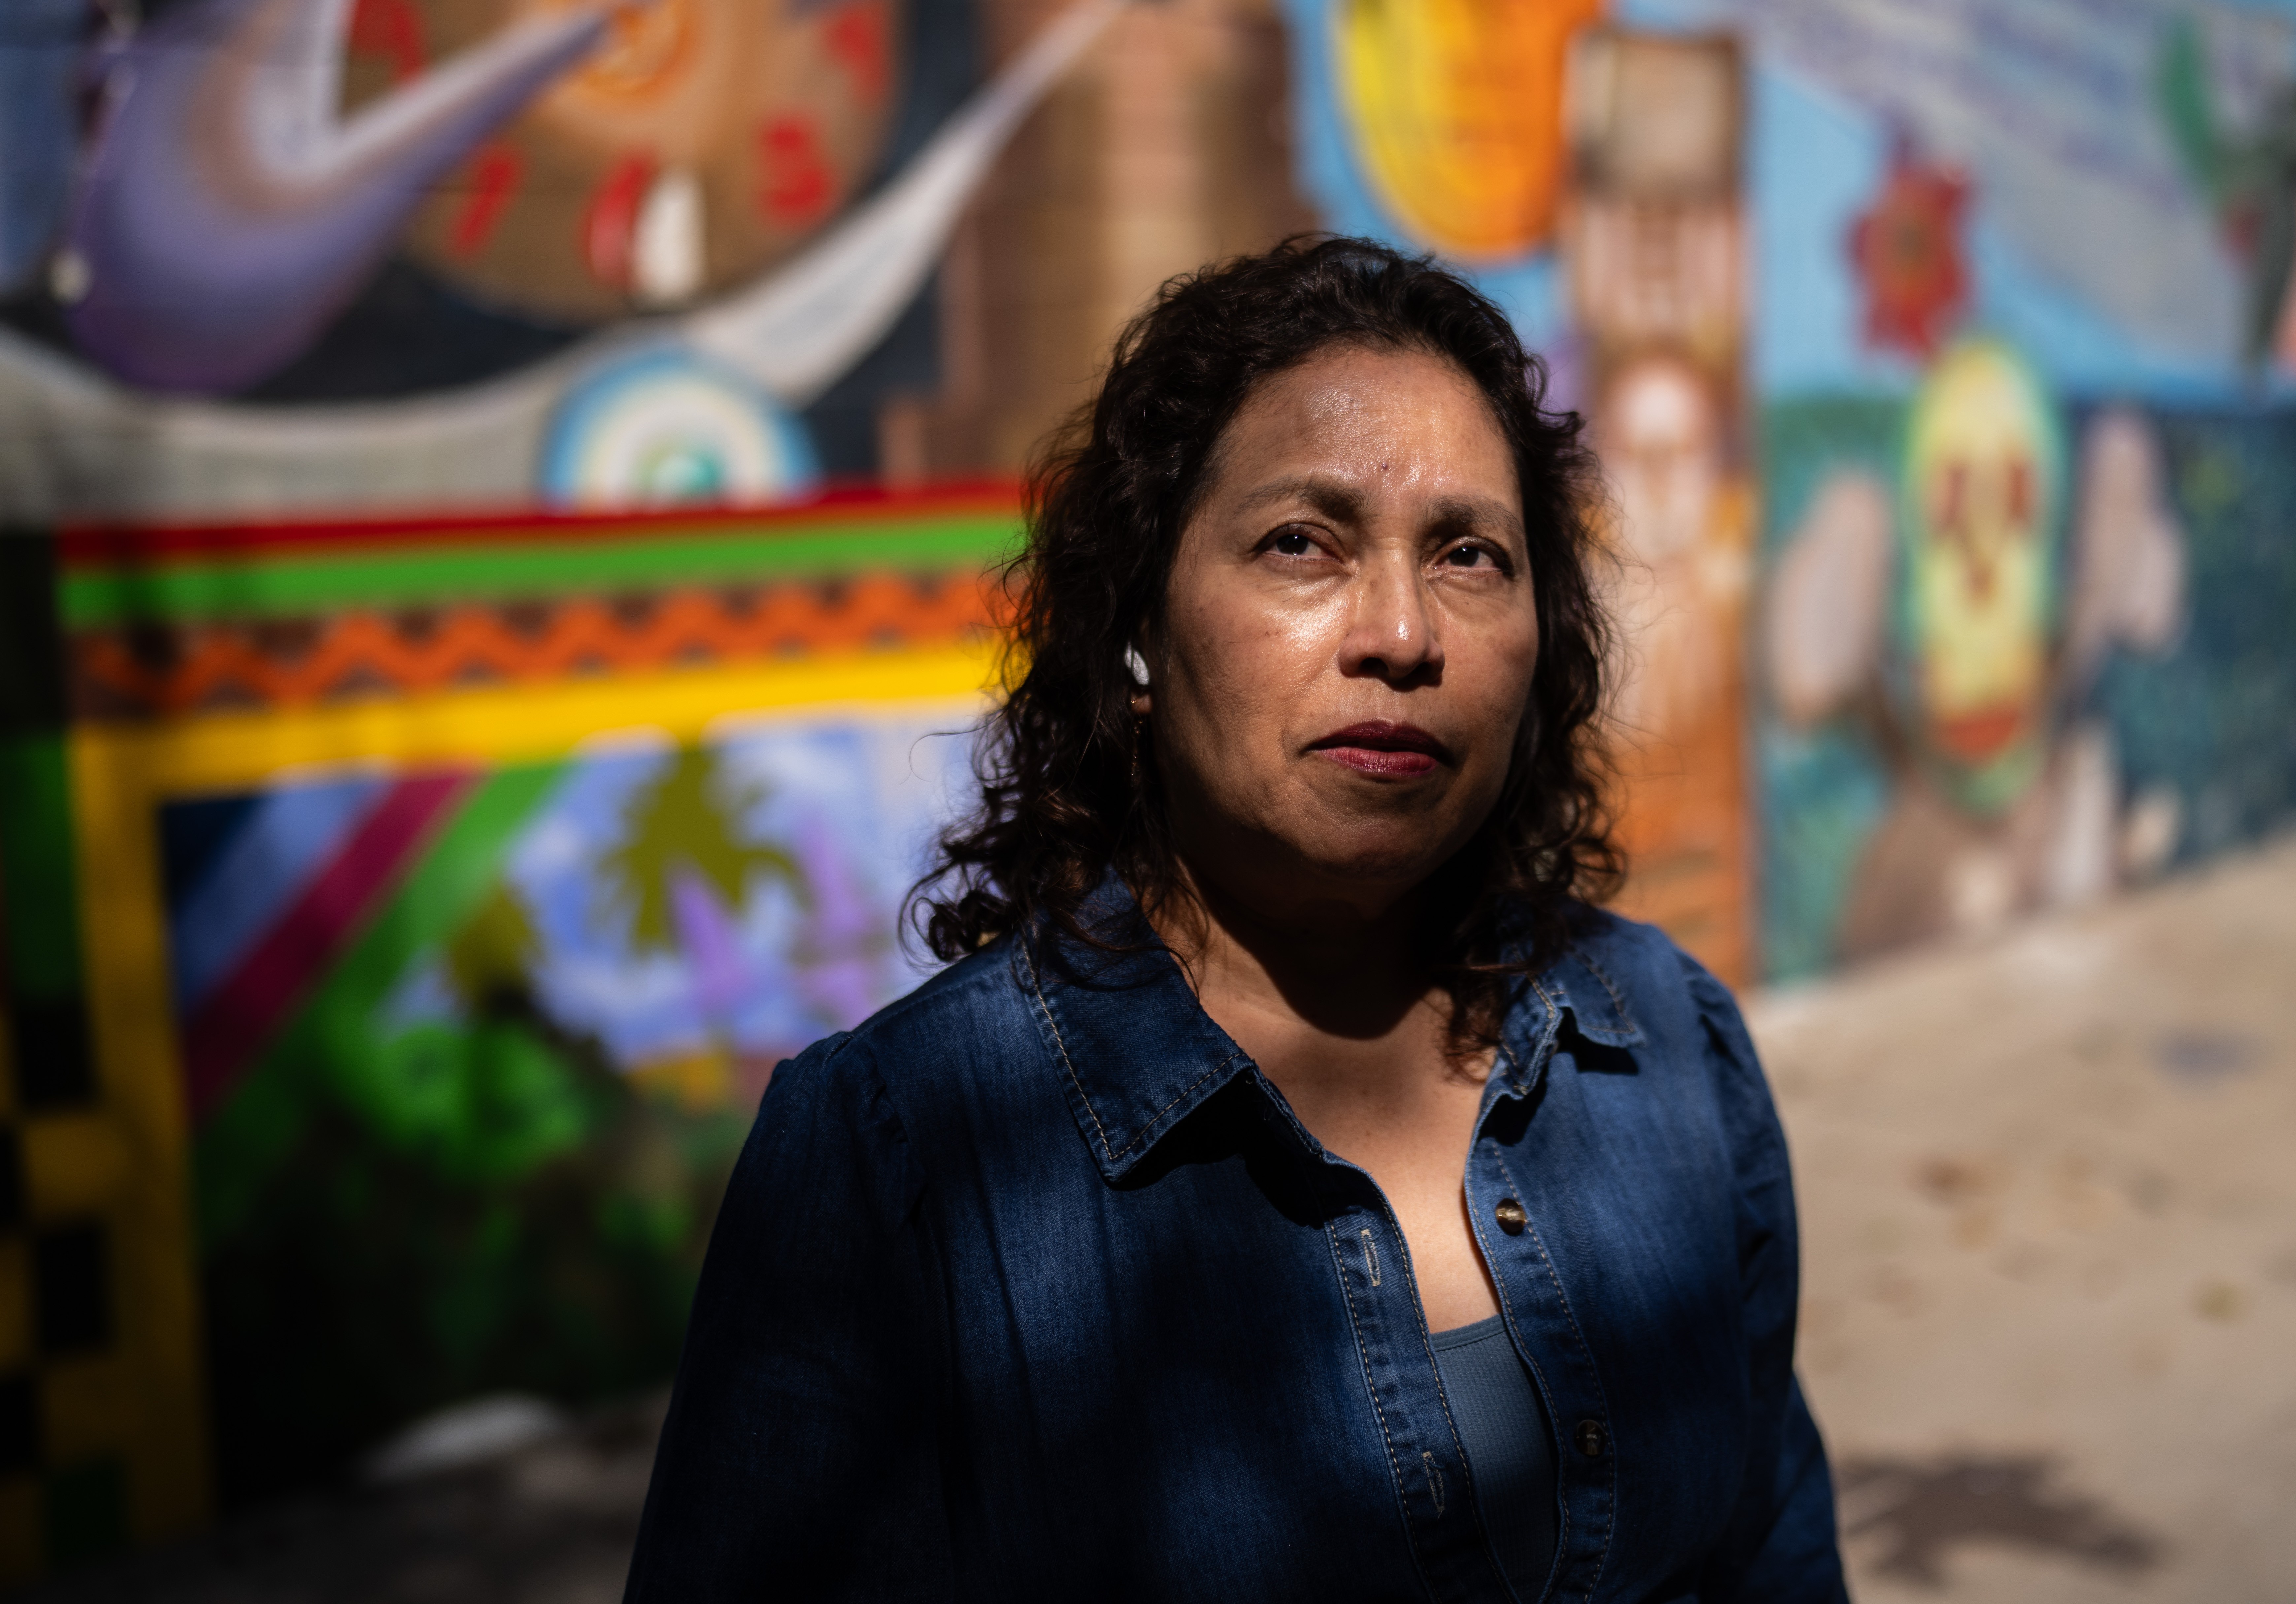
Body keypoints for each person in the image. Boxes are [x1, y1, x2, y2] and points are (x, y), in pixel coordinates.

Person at [625, 236, 1845, 1602]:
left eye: (1469, 555)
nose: (1401, 632)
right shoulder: (902, 1159)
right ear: (1139, 630)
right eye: (1299, 544)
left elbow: (1772, 1562)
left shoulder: (1664, 1047)